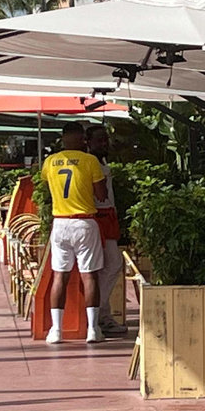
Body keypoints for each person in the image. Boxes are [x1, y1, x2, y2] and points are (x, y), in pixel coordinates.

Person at [42, 122, 109, 344]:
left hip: (60, 223)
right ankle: (92, 329)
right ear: (82, 139)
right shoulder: (90, 161)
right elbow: (101, 195)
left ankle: (56, 330)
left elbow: (46, 187)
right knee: (89, 275)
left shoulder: (50, 162)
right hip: (85, 222)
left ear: (62, 138)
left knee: (59, 275)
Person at [86, 125, 127, 336]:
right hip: (98, 217)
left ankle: (104, 315)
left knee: (108, 266)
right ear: (88, 142)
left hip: (108, 216)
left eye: (105, 140)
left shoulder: (102, 162)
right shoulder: (91, 163)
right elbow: (100, 195)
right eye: (100, 140)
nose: (104, 143)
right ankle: (99, 310)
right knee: (112, 264)